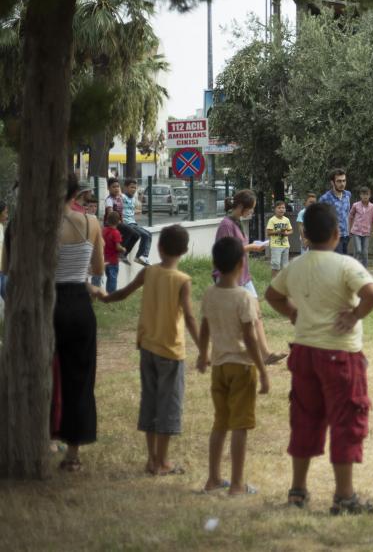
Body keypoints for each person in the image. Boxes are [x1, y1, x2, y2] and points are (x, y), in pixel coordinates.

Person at [265, 203, 373, 515]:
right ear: (336, 233)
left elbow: (272, 295)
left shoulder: (295, 266)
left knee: (304, 418)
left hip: (304, 352)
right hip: (341, 354)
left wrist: (293, 313)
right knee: (346, 420)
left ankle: (297, 492)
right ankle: (344, 496)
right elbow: (372, 293)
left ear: (303, 234)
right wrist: (355, 315)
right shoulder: (345, 264)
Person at [102, 224, 199, 476]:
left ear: (158, 246)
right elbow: (189, 317)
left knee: (150, 400)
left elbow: (122, 293)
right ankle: (163, 461)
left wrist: (102, 296)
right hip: (170, 350)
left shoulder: (149, 273)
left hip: (147, 347)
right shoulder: (182, 280)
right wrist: (204, 349)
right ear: (186, 250)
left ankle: (151, 460)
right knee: (168, 404)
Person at [197, 236, 271, 496]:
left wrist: (201, 354)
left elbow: (204, 327)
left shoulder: (210, 293)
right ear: (243, 263)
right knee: (240, 426)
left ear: (216, 264)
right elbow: (250, 338)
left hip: (219, 366)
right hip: (241, 367)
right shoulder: (244, 298)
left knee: (220, 423)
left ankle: (213, 479)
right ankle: (237, 484)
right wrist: (262, 370)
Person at [42, 174, 105, 472]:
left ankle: (44, 439)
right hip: (79, 303)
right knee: (79, 377)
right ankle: (74, 454)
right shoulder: (91, 224)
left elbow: (8, 267)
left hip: (46, 302)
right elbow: (97, 267)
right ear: (75, 193)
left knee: (42, 371)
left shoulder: (37, 225)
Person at [215, 190, 283, 366]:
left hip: (244, 277)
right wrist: (250, 248)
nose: (251, 213)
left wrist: (251, 247)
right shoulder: (226, 225)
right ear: (240, 207)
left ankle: (266, 354)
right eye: (250, 209)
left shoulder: (237, 223)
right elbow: (225, 252)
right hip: (229, 278)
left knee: (256, 314)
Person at [105, 178, 138, 266]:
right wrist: (117, 223)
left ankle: (124, 254)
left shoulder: (119, 198)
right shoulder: (109, 199)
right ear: (108, 188)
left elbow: (121, 212)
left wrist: (122, 221)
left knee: (136, 235)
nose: (116, 188)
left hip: (119, 222)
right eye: (113, 187)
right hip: (112, 224)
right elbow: (110, 213)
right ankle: (119, 251)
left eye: (117, 186)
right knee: (130, 231)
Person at [319, 168, 352, 255]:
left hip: (346, 235)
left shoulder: (347, 195)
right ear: (332, 182)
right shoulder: (324, 199)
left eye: (344, 181)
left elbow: (347, 213)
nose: (342, 184)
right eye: (339, 181)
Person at [120, 179, 152, 266]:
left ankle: (144, 256)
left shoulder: (133, 199)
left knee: (149, 234)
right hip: (127, 223)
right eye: (131, 187)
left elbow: (132, 210)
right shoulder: (122, 197)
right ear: (126, 188)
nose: (133, 189)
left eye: (135, 188)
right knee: (144, 235)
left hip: (133, 222)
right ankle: (139, 256)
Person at [348, 187, 373, 268]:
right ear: (360, 195)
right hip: (356, 231)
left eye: (367, 194)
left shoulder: (372, 207)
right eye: (363, 194)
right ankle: (354, 268)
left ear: (370, 195)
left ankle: (365, 269)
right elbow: (350, 217)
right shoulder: (355, 205)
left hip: (366, 232)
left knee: (365, 252)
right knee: (358, 250)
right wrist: (350, 229)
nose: (365, 196)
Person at [266, 200, 293, 279]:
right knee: (276, 264)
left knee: (285, 265)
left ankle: (283, 282)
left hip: (285, 245)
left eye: (283, 208)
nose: (281, 209)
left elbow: (291, 230)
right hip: (276, 245)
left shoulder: (286, 220)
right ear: (275, 209)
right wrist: (278, 231)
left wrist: (287, 233)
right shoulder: (272, 220)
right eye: (279, 208)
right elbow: (268, 232)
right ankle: (274, 281)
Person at [101, 209, 125, 293]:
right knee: (113, 279)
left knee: (109, 278)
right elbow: (117, 247)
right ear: (118, 221)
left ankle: (108, 294)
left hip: (105, 260)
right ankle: (111, 295)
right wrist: (123, 249)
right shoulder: (116, 233)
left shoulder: (104, 230)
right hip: (113, 261)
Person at [0, 200, 9, 298]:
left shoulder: (2, 227)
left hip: (3, 270)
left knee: (6, 294)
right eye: (5, 212)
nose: (7, 215)